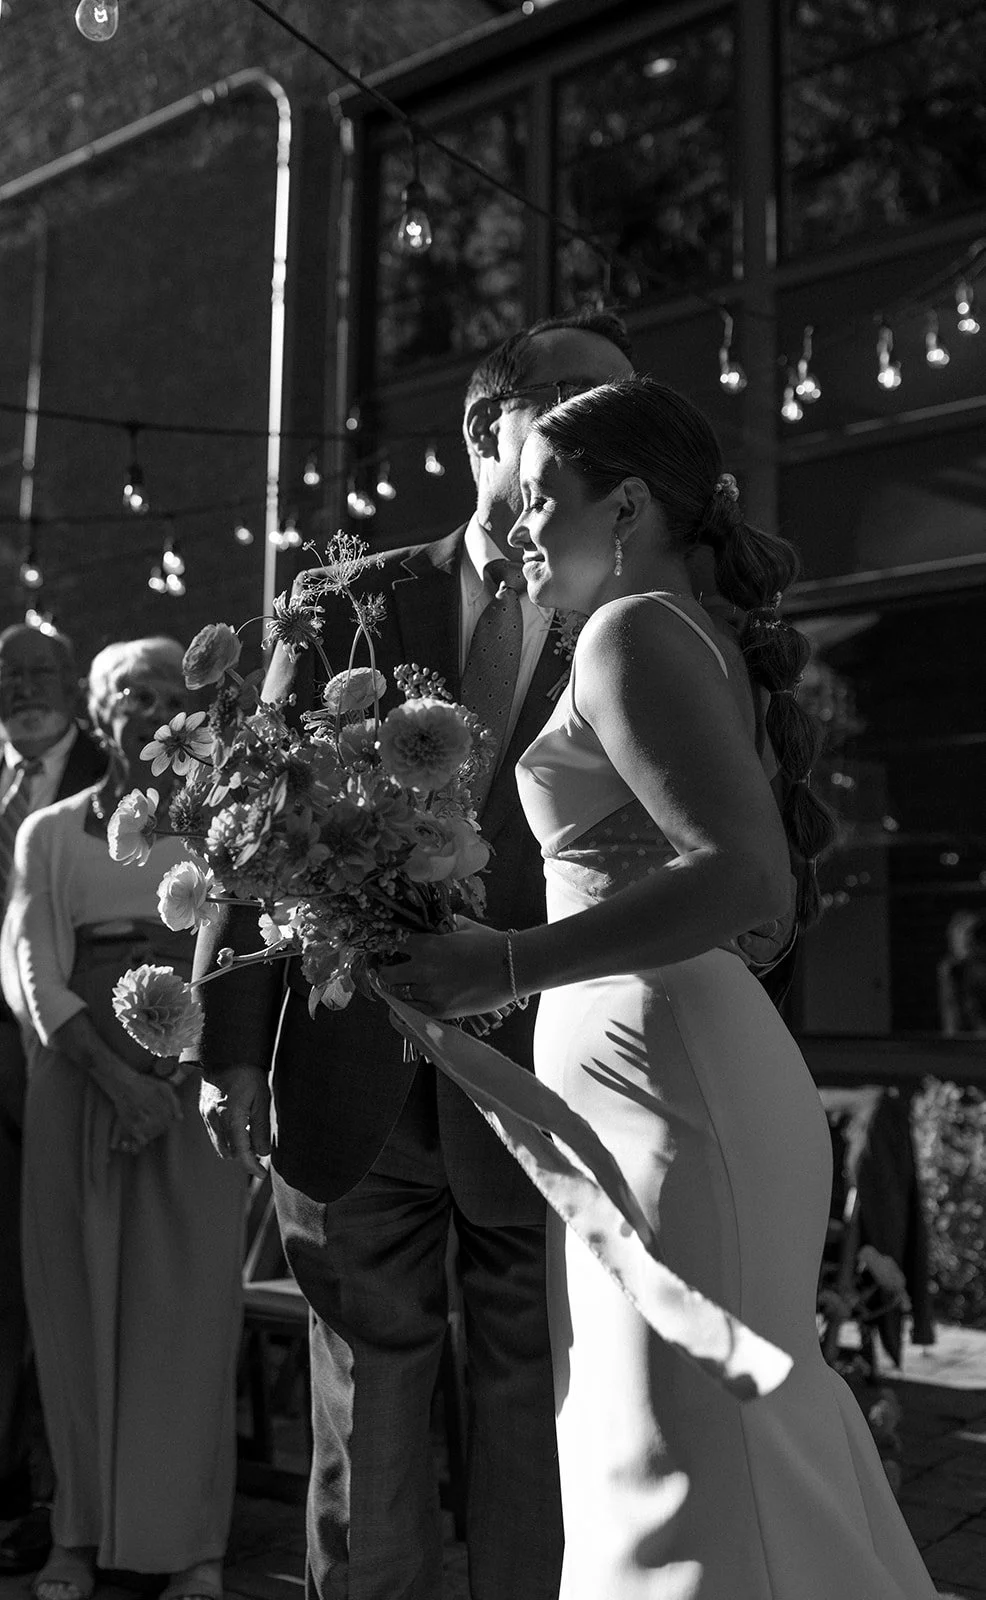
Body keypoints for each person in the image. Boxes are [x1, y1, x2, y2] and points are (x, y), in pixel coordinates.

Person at [379, 376, 937, 1598]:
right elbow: (762, 897)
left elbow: (740, 877)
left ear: (624, 503)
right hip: (659, 1085)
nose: (519, 529)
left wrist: (506, 964)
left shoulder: (633, 634)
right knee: (677, 1433)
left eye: (540, 500)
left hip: (674, 1091)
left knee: (694, 1444)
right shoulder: (665, 633)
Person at [193, 311, 636, 1600]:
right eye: (562, 402)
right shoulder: (352, 602)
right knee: (369, 1388)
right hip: (351, 1066)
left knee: (531, 1391)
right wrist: (232, 1050)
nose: (592, 433)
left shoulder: (635, 609)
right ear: (479, 430)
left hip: (547, 1078)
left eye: (619, 407)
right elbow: (250, 827)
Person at [0, 637, 244, 1600]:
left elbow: (236, 958)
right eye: (119, 694)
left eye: (155, 690)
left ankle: (194, 1546)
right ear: (95, 717)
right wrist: (111, 1075)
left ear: (179, 710)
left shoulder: (226, 825)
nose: (138, 706)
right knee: (72, 1309)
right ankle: (78, 1535)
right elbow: (30, 971)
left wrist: (177, 1078)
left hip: (188, 1101)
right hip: (77, 1085)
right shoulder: (49, 834)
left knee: (184, 1318)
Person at [0, 624, 106, 1577]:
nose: (23, 687)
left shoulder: (121, 774)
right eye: (9, 674)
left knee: (71, 1292)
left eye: (40, 671)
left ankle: (67, 1501)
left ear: (77, 685)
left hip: (83, 1060)